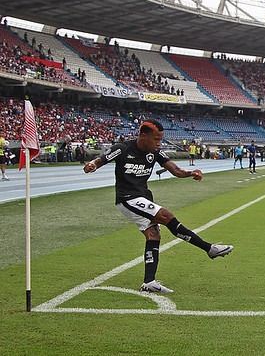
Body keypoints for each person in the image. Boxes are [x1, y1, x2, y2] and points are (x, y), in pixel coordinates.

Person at [83, 119, 233, 294]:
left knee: (153, 235)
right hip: (127, 198)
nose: (158, 143)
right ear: (143, 136)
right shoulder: (122, 148)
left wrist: (191, 172)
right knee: (166, 216)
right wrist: (92, 165)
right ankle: (209, 249)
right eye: (156, 139)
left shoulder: (155, 153)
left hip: (143, 197)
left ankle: (149, 282)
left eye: (160, 139)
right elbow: (101, 160)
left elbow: (175, 170)